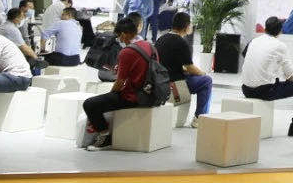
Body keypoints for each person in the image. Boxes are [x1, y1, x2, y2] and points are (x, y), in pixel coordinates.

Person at [82, 18, 155, 151]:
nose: (118, 39)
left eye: (118, 36)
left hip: (134, 97)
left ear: (123, 34)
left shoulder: (126, 52)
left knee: (90, 104)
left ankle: (105, 135)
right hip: (151, 94)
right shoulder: (149, 46)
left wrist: (110, 95)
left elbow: (120, 82)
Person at [240, 15, 293, 137]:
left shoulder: (254, 41)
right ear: (280, 31)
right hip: (264, 91)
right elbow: (291, 76)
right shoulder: (280, 46)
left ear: (265, 28)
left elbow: (246, 56)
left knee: (273, 80)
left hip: (246, 89)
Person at [155, 12, 212, 124]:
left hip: (161, 81)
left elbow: (170, 62)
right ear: (186, 26)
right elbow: (190, 67)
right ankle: (199, 118)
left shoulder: (161, 39)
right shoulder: (181, 42)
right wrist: (203, 73)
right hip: (176, 84)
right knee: (206, 81)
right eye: (190, 24)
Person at [0, 8, 45, 74]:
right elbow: (24, 48)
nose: (23, 19)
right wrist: (37, 59)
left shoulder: (4, 25)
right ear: (16, 19)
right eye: (22, 17)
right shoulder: (12, 29)